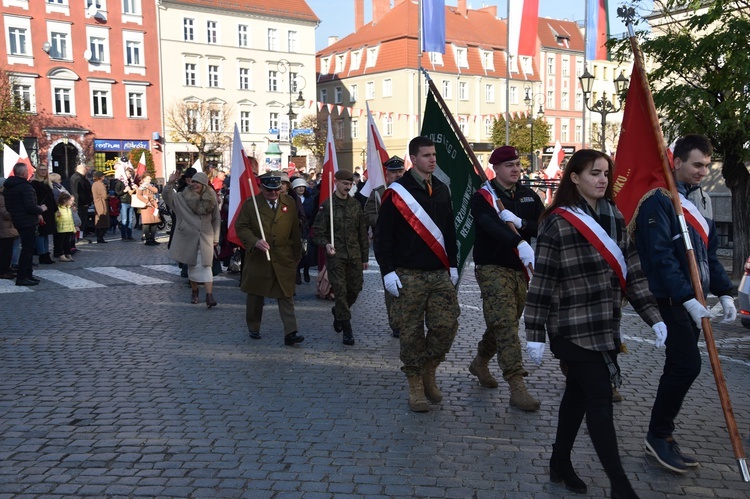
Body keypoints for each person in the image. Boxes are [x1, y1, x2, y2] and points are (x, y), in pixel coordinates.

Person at [523, 149, 666, 497]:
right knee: (600, 398)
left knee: (577, 396)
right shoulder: (557, 221)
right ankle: (620, 485)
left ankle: (559, 461)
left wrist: (654, 318)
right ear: (574, 177)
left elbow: (632, 269)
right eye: (594, 173)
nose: (603, 179)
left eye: (605, 173)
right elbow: (543, 281)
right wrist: (535, 333)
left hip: (604, 326)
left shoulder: (615, 216)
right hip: (569, 326)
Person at [633, 134, 735, 473]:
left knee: (679, 365)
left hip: (695, 299)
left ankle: (660, 434)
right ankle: (658, 435)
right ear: (675, 161)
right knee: (687, 365)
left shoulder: (701, 200)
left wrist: (724, 292)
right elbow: (661, 257)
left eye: (706, 165)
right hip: (671, 298)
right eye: (697, 164)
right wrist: (687, 298)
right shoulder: (658, 201)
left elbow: (709, 254)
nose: (703, 171)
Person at [374, 136, 460, 412]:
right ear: (413, 159)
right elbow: (383, 237)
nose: (432, 159)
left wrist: (454, 264)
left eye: (434, 154)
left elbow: (449, 231)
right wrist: (387, 271)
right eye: (426, 155)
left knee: (446, 325)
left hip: (438, 272)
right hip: (408, 273)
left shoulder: (443, 189)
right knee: (410, 332)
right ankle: (415, 386)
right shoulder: (397, 192)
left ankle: (429, 369)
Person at [467, 146, 544, 411]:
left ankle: (480, 361)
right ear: (496, 168)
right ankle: (517, 385)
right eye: (509, 165)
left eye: (518, 164)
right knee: (506, 324)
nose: (515, 169)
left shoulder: (528, 195)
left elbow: (545, 225)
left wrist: (522, 224)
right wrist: (516, 241)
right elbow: (490, 225)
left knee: (505, 320)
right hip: (492, 267)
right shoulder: (483, 197)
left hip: (519, 268)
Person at [235, 173, 304, 346]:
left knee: (286, 294)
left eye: (276, 190)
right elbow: (241, 227)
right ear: (261, 188)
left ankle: (291, 332)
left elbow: (295, 230)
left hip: (283, 256)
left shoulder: (289, 203)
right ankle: (254, 326)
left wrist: (297, 254)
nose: (273, 194)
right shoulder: (251, 205)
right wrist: (254, 241)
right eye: (269, 190)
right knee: (256, 295)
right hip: (259, 257)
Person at [312, 169, 369, 346]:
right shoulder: (327, 206)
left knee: (355, 288)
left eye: (350, 184)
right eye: (345, 183)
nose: (348, 187)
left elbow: (362, 233)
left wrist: (365, 257)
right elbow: (317, 233)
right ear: (336, 182)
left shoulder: (355, 205)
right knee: (341, 291)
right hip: (336, 256)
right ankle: (347, 329)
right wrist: (326, 244)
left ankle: (338, 312)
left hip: (354, 255)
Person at [164, 171, 220, 307]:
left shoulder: (211, 197)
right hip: (188, 236)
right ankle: (195, 291)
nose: (195, 184)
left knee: (207, 265)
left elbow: (216, 218)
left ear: (204, 184)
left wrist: (216, 237)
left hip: (206, 236)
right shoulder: (182, 197)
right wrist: (170, 183)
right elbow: (167, 197)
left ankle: (209, 296)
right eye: (194, 181)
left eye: (198, 182)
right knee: (192, 265)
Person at [364, 156, 406, 338]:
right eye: (393, 172)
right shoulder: (377, 193)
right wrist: (387, 219)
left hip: (407, 247)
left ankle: (409, 320)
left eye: (400, 171)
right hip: (386, 247)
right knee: (391, 284)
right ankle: (396, 323)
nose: (397, 175)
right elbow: (368, 215)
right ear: (386, 174)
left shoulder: (411, 191)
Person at [3, 163, 47, 286]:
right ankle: (23, 276)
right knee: (28, 249)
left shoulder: (9, 187)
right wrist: (41, 209)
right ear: (23, 173)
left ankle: (28, 274)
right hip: (27, 220)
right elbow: (30, 206)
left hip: (17, 219)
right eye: (27, 171)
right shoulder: (25, 187)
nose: (28, 173)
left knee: (28, 248)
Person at [31, 163, 58, 264]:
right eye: (41, 169)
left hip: (49, 212)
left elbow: (51, 198)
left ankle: (46, 253)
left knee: (46, 233)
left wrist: (56, 209)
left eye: (44, 169)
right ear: (37, 171)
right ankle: (42, 254)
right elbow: (35, 199)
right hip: (41, 211)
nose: (43, 171)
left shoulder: (48, 183)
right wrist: (39, 212)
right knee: (41, 233)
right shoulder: (34, 183)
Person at [292, 177, 315, 284]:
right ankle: (296, 274)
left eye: (303, 187)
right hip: (296, 229)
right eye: (298, 187)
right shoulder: (291, 199)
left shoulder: (310, 199)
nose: (301, 189)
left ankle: (306, 269)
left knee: (307, 252)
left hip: (307, 229)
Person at [0, 177, 19, 279]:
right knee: (5, 251)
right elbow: (5, 213)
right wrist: (15, 213)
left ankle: (6, 268)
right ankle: (3, 270)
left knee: (7, 249)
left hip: (6, 227)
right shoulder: (1, 198)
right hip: (4, 227)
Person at [114, 161, 137, 241]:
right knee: (124, 219)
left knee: (130, 220)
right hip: (123, 202)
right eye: (128, 173)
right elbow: (116, 192)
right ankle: (123, 236)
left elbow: (134, 192)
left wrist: (136, 188)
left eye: (130, 174)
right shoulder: (120, 182)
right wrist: (124, 191)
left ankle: (129, 235)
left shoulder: (131, 182)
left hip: (131, 202)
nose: (129, 175)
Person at [69, 163, 92, 236]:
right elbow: (76, 192)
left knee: (82, 222)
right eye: (86, 169)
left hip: (83, 203)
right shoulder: (77, 178)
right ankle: (79, 237)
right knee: (79, 222)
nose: (86, 171)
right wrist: (76, 204)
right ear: (82, 169)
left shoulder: (82, 178)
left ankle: (81, 236)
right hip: (80, 204)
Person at [136, 175, 160, 246]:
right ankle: (147, 239)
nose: (150, 180)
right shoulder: (141, 187)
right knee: (147, 223)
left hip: (153, 205)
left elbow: (156, 190)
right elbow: (138, 195)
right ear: (144, 179)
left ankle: (152, 238)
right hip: (146, 206)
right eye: (148, 179)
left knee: (155, 222)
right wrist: (146, 201)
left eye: (150, 179)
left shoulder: (150, 185)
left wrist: (149, 186)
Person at [54, 192, 76, 262]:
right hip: (62, 228)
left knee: (67, 242)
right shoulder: (59, 209)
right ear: (65, 201)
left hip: (68, 228)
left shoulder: (68, 209)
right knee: (61, 242)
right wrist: (57, 216)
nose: (71, 202)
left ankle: (68, 253)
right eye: (69, 200)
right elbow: (56, 219)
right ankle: (61, 255)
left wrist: (73, 228)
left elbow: (71, 219)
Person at [91, 170, 110, 243]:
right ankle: (100, 237)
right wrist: (109, 195)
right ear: (101, 177)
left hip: (96, 203)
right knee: (103, 220)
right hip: (102, 203)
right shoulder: (100, 185)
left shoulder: (94, 184)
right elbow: (104, 196)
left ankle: (99, 236)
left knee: (98, 219)